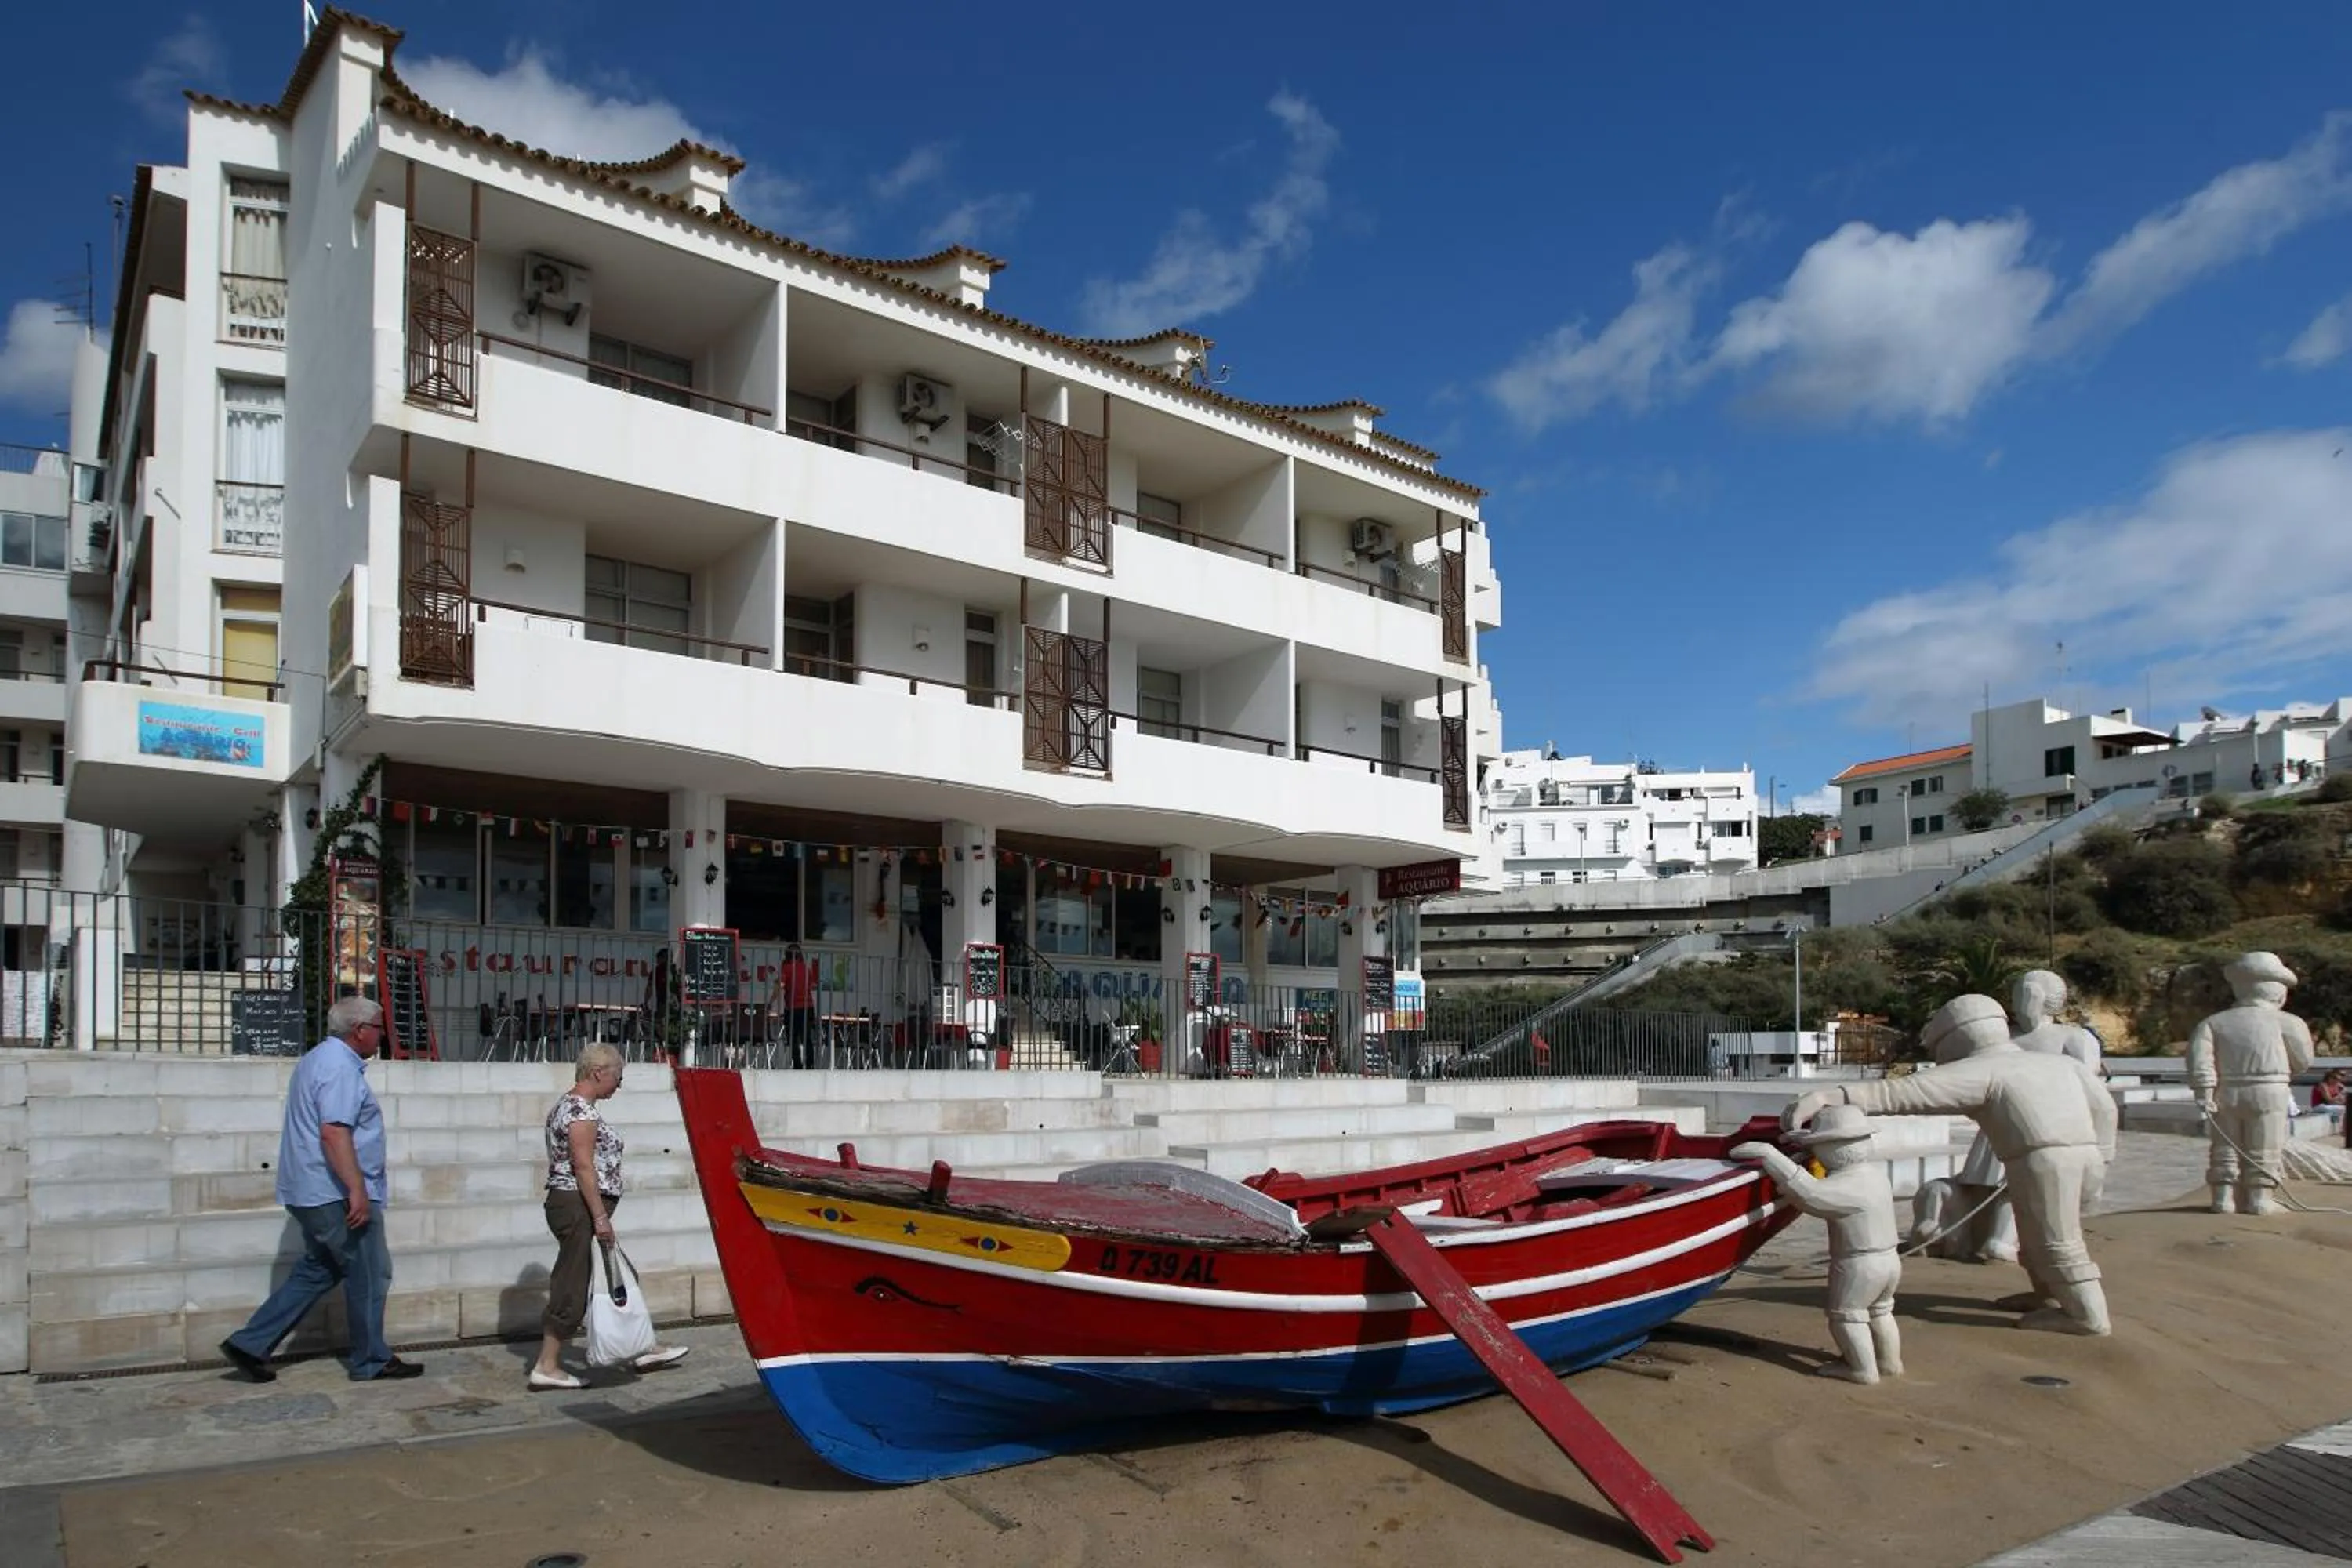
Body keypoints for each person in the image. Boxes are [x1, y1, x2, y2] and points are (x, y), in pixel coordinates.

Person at [1785, 993, 2117, 1336]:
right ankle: (2048, 1296)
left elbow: (1897, 1094)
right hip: (2083, 1156)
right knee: (2036, 1233)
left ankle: (2087, 1316)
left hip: (2045, 1162)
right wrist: (2104, 1155)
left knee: (2056, 1240)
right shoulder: (2062, 1065)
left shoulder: (1982, 1070)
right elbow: (2106, 1109)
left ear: (1958, 1035)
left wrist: (1828, 1097)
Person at [219, 996, 422, 1382]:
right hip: (332, 1191)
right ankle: (371, 1360)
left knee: (321, 1268)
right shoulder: (339, 1068)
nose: (382, 1034)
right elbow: (334, 1131)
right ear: (360, 1030)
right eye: (379, 1027)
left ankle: (250, 1342)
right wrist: (356, 1188)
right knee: (370, 1272)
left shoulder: (317, 1060)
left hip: (308, 1188)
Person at [531, 1043, 691, 1390]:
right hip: (578, 1207)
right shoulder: (579, 1112)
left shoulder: (575, 1107)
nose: (619, 1084)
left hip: (579, 1206)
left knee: (619, 1275)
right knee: (572, 1284)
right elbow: (583, 1166)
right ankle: (547, 1363)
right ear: (597, 1073)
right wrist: (600, 1218)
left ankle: (641, 1348)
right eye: (617, 1076)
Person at [1731, 1105, 1904, 1384]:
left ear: (1831, 1148)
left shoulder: (1849, 1186)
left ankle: (1862, 1369)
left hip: (1859, 1264)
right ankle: (1889, 1362)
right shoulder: (1874, 1176)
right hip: (1890, 1261)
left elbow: (1811, 1194)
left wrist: (1770, 1155)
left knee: (1847, 1316)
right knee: (1881, 1310)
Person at [2188, 951, 2317, 1216]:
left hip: (2226, 1091)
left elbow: (2200, 1062)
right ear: (2278, 991)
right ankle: (2260, 1199)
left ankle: (2223, 1198)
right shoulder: (2289, 1022)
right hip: (2270, 1090)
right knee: (2265, 1145)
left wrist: (2204, 1092)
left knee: (2225, 1146)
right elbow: (2303, 1061)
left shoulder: (2212, 1023)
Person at [768, 942, 820, 1069]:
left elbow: (780, 986)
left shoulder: (786, 968)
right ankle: (810, 1065)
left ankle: (797, 1064)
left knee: (792, 1038)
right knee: (806, 1037)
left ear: (787, 955)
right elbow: (813, 985)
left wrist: (771, 1002)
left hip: (793, 1008)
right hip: (808, 1007)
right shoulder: (806, 968)